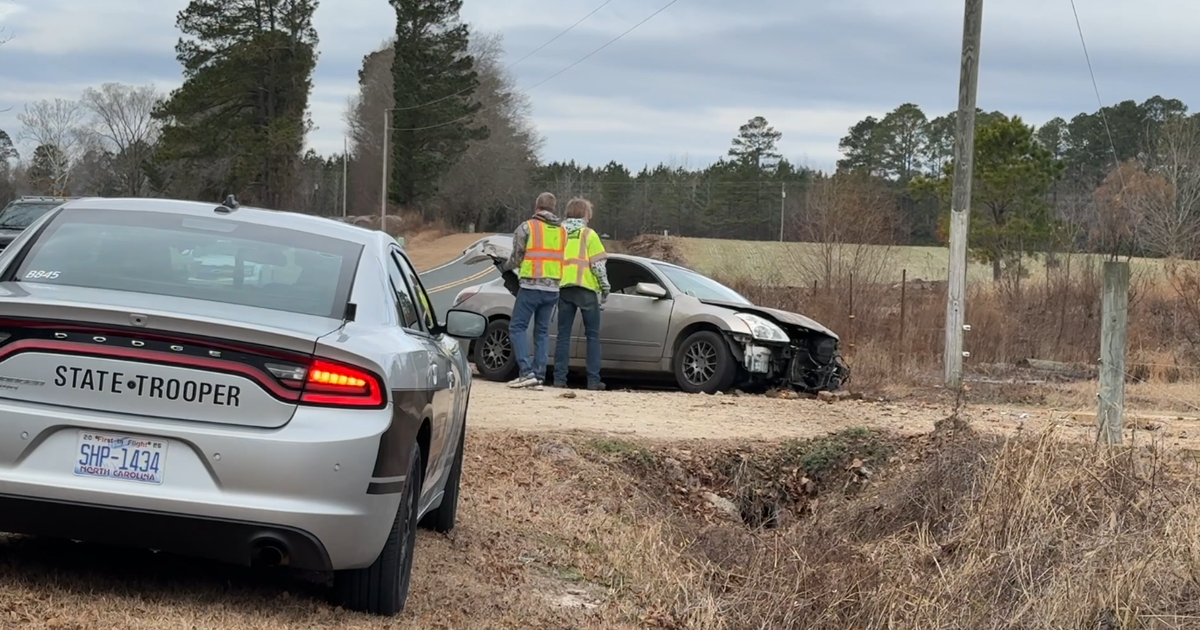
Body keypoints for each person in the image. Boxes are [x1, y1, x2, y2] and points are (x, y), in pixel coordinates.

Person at [500, 192, 565, 389]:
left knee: (517, 327)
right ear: (553, 209)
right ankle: (539, 375)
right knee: (542, 332)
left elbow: (518, 257)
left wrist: (505, 266)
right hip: (553, 288)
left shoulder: (527, 227)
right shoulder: (562, 231)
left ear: (537, 207)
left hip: (530, 286)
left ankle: (526, 371)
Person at [552, 197, 610, 391]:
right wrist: (605, 288)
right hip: (585, 288)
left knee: (563, 336)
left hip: (563, 288)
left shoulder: (559, 233)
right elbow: (598, 266)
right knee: (592, 336)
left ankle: (560, 379)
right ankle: (593, 381)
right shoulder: (589, 234)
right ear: (585, 214)